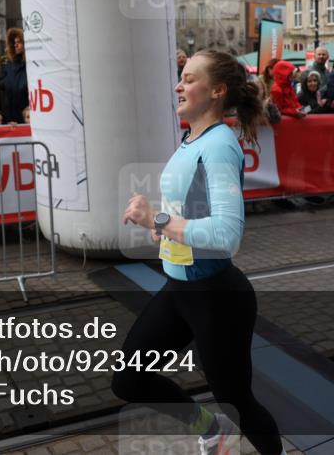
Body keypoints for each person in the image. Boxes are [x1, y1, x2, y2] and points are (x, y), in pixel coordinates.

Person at [116, 49, 285, 455]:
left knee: (239, 401)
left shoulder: (220, 145)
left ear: (217, 90)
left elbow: (227, 234)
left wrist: (156, 220)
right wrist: (168, 231)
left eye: (190, 78)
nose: (179, 84)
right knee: (129, 380)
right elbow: (192, 213)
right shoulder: (192, 139)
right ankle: (210, 427)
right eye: (181, 76)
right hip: (180, 289)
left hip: (216, 297)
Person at [0, 28, 28, 124]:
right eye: (14, 42)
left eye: (19, 42)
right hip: (10, 111)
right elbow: (2, 81)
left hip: (25, 111)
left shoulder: (29, 64)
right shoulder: (10, 64)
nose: (16, 45)